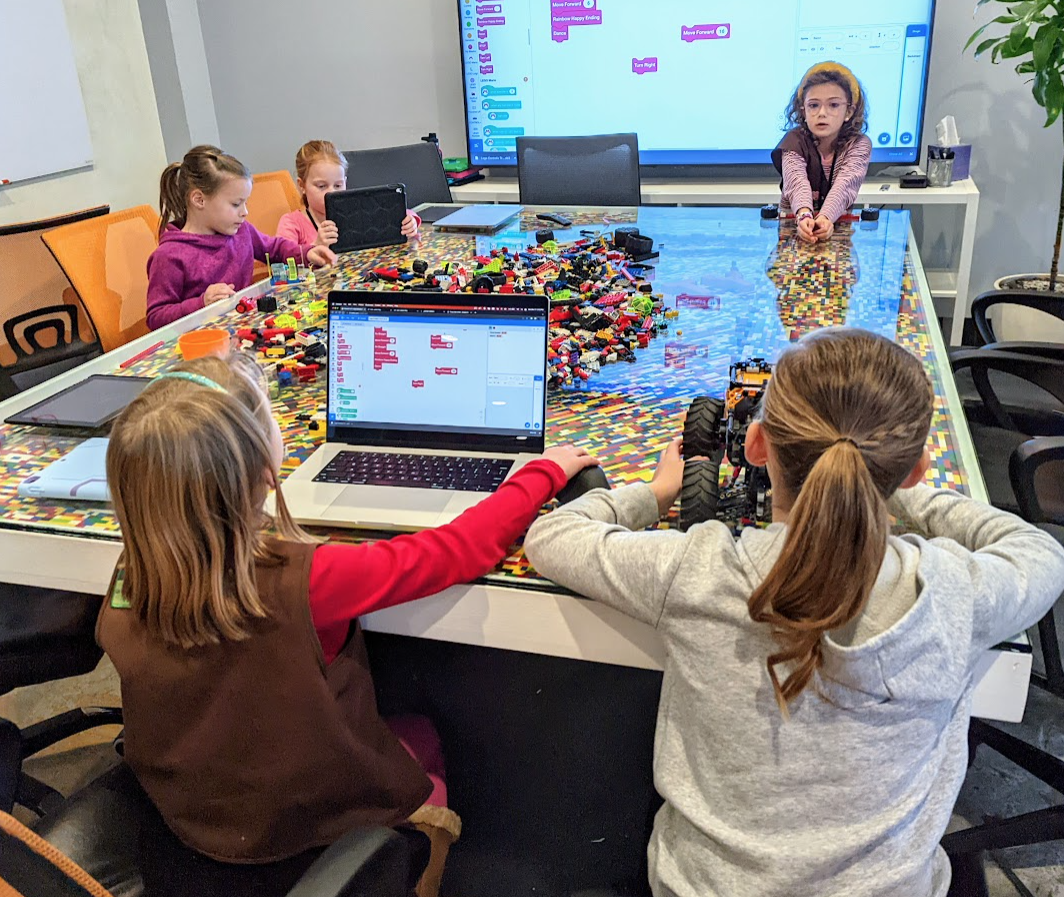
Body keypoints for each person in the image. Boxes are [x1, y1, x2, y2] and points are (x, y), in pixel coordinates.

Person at [524, 327, 1064, 897]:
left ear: (756, 446)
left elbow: (552, 537)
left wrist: (656, 492)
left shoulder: (695, 570)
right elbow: (1040, 552)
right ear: (915, 468)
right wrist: (899, 489)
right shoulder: (955, 590)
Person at [98, 349, 596, 897]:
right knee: (425, 737)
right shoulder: (306, 581)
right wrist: (544, 472)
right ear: (263, 469)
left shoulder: (127, 579)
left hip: (192, 821)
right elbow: (459, 549)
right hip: (305, 828)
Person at [146, 145, 336, 329]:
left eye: (245, 203)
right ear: (199, 200)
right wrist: (201, 303)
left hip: (245, 328)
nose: (245, 212)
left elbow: (275, 248)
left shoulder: (242, 230)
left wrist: (307, 253)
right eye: (236, 204)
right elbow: (156, 317)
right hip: (201, 342)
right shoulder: (169, 256)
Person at [772, 62, 872, 244]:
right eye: (813, 105)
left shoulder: (859, 144)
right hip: (795, 230)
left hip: (837, 230)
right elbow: (796, 183)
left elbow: (845, 186)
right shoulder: (793, 141)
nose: (822, 113)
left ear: (849, 111)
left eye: (833, 105)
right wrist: (804, 216)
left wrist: (825, 218)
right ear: (803, 111)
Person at [276, 140, 421, 248]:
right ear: (302, 185)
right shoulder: (292, 223)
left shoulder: (356, 211)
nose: (331, 192)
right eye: (321, 186)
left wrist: (410, 221)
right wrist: (315, 246)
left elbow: (398, 213)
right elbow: (282, 258)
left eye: (338, 185)